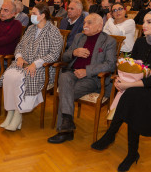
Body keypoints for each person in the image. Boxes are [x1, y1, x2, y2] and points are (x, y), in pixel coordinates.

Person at [91, 10, 151, 172]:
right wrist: (121, 79)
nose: (143, 25)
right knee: (133, 98)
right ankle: (132, 153)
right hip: (137, 89)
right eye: (144, 21)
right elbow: (132, 66)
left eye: (149, 22)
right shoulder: (140, 42)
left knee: (132, 96)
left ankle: (112, 135)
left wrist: (128, 86)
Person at [47, 13, 117, 144]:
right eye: (84, 22)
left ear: (99, 26)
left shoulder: (109, 41)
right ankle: (67, 124)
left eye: (89, 23)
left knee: (65, 92)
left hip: (93, 79)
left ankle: (65, 131)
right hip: (72, 73)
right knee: (64, 76)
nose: (85, 25)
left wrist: (87, 71)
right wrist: (74, 52)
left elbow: (110, 64)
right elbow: (65, 57)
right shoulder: (79, 37)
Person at [0, 3, 63, 131]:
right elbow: (20, 46)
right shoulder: (31, 29)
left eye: (34, 13)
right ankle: (11, 111)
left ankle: (18, 114)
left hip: (42, 68)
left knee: (22, 78)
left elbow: (54, 54)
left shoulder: (54, 32)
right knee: (9, 76)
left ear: (43, 15)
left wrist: (36, 64)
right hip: (25, 63)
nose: (31, 16)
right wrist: (19, 57)